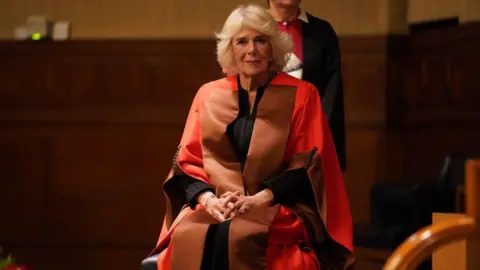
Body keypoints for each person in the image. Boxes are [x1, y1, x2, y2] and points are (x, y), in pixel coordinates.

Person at [145, 4, 353, 270]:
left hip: (276, 205)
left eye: (260, 40)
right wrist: (210, 201)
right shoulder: (208, 95)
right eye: (242, 41)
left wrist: (256, 200)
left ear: (273, 47)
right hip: (216, 204)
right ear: (230, 49)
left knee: (240, 235)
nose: (252, 50)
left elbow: (307, 167)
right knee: (191, 234)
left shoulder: (302, 95)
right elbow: (185, 166)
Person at [267, 0, 347, 172]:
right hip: (265, 137)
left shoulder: (322, 31)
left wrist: (318, 133)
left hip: (311, 137)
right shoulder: (255, 29)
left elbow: (332, 91)